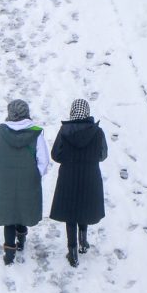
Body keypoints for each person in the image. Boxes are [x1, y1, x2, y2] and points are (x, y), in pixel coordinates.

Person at [0, 99, 50, 265]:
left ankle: (9, 253)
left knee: (8, 215)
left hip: (4, 178)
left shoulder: (0, 132)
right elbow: (43, 160)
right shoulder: (36, 134)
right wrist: (36, 174)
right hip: (28, 178)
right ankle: (21, 239)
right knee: (22, 209)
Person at [49, 99, 108, 267]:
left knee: (70, 213)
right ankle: (83, 241)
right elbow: (102, 155)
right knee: (84, 207)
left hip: (68, 176)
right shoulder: (98, 132)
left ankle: (72, 251)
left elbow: (55, 155)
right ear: (87, 113)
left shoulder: (64, 131)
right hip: (90, 176)